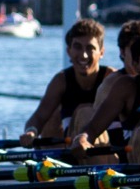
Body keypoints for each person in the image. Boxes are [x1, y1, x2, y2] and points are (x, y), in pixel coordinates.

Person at [69, 32, 140, 165]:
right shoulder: (126, 86)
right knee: (85, 113)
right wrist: (83, 139)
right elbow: (93, 128)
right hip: (130, 159)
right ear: (136, 65)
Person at [19, 18, 113, 146]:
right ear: (69, 51)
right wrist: (31, 132)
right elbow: (39, 117)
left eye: (90, 48)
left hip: (107, 147)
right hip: (72, 146)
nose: (84, 55)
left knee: (85, 112)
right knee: (51, 115)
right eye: (78, 47)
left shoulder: (113, 79)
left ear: (101, 52)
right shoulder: (61, 81)